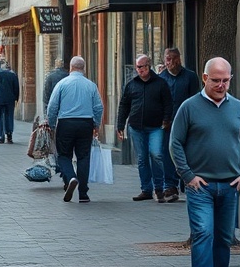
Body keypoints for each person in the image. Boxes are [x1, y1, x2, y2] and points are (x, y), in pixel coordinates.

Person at [170, 57, 240, 267]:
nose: (221, 85)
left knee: (223, 237)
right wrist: (188, 175)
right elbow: (175, 143)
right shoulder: (189, 107)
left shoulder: (239, 108)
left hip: (230, 186)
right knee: (203, 233)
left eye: (226, 81)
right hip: (200, 186)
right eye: (216, 80)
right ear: (205, 78)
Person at [46, 56, 103, 203]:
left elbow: (52, 106)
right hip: (85, 123)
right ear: (84, 68)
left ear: (71, 68)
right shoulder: (91, 85)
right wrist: (96, 124)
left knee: (64, 156)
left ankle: (71, 178)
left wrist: (51, 125)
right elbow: (98, 107)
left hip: (66, 123)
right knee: (83, 157)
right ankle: (83, 193)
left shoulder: (62, 84)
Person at [117, 54, 173, 202]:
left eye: (141, 67)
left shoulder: (160, 83)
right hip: (136, 127)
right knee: (142, 158)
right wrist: (120, 125)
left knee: (156, 155)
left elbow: (168, 103)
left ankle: (159, 189)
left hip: (156, 127)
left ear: (148, 66)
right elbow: (124, 105)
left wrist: (166, 120)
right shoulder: (132, 84)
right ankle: (146, 189)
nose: (139, 70)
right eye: (137, 67)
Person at [159, 47, 201, 202]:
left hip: (186, 122)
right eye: (167, 59)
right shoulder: (161, 78)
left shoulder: (190, 76)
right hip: (167, 123)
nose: (169, 62)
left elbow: (195, 100)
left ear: (178, 59)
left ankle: (187, 182)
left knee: (188, 153)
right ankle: (170, 186)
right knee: (167, 154)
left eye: (172, 59)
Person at [0, 60, 20, 144]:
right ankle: (9, 134)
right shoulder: (13, 75)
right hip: (10, 99)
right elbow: (16, 88)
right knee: (9, 116)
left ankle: (1, 136)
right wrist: (16, 98)